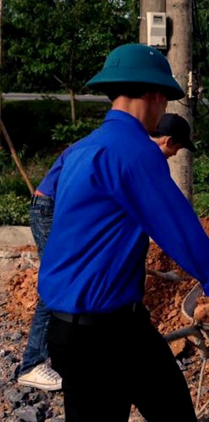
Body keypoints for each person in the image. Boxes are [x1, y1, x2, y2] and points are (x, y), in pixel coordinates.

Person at [37, 43, 209, 422]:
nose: (163, 109)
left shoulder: (82, 149)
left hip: (86, 327)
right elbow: (183, 234)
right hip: (103, 337)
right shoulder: (134, 151)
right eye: (164, 100)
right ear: (153, 93)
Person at [17, 113, 196, 392]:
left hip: (58, 203)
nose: (174, 155)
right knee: (62, 279)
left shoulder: (123, 148)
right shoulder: (126, 151)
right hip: (49, 206)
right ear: (168, 141)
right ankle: (32, 363)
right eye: (177, 148)